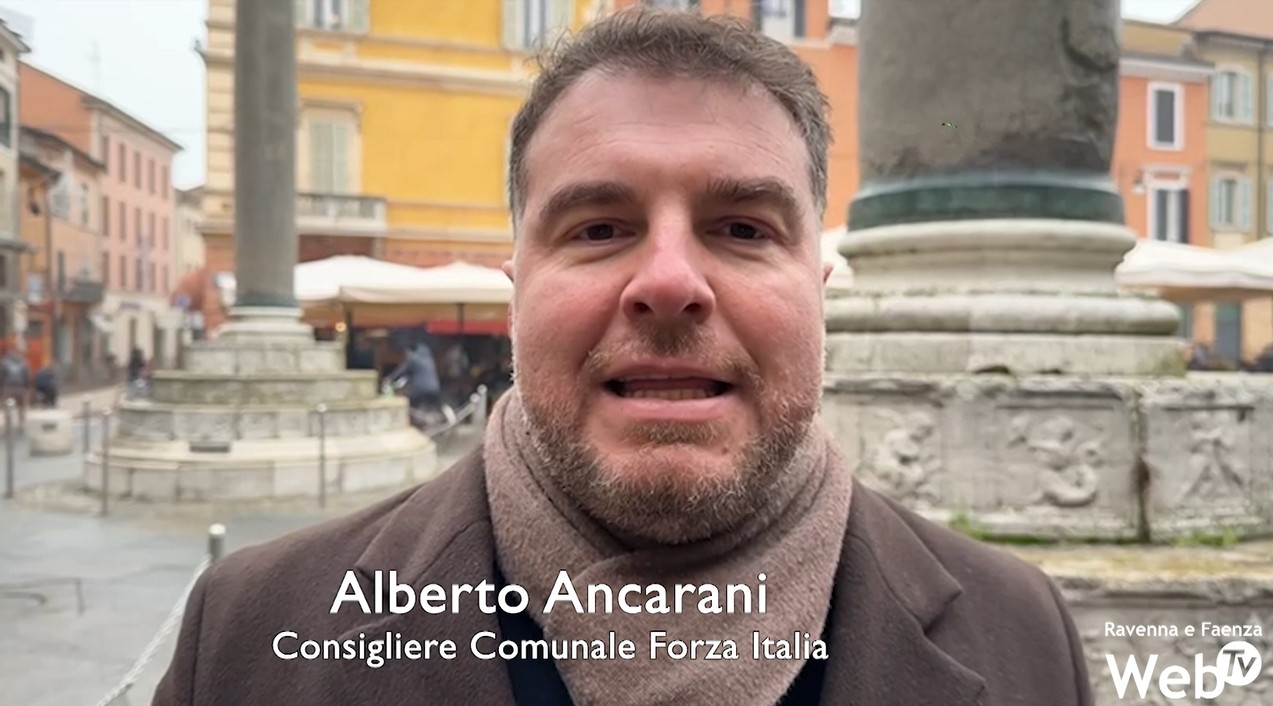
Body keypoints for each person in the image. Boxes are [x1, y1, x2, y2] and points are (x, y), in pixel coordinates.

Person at [153, 9, 1093, 706]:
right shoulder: (246, 635)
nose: (669, 281)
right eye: (599, 228)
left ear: (818, 286)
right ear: (517, 289)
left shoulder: (1025, 636)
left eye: (741, 228)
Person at [387, 340, 442, 411]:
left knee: (405, 399)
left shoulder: (413, 359)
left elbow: (401, 371)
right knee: (429, 408)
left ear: (409, 351)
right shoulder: (429, 359)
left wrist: (389, 378)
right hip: (435, 389)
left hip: (420, 390)